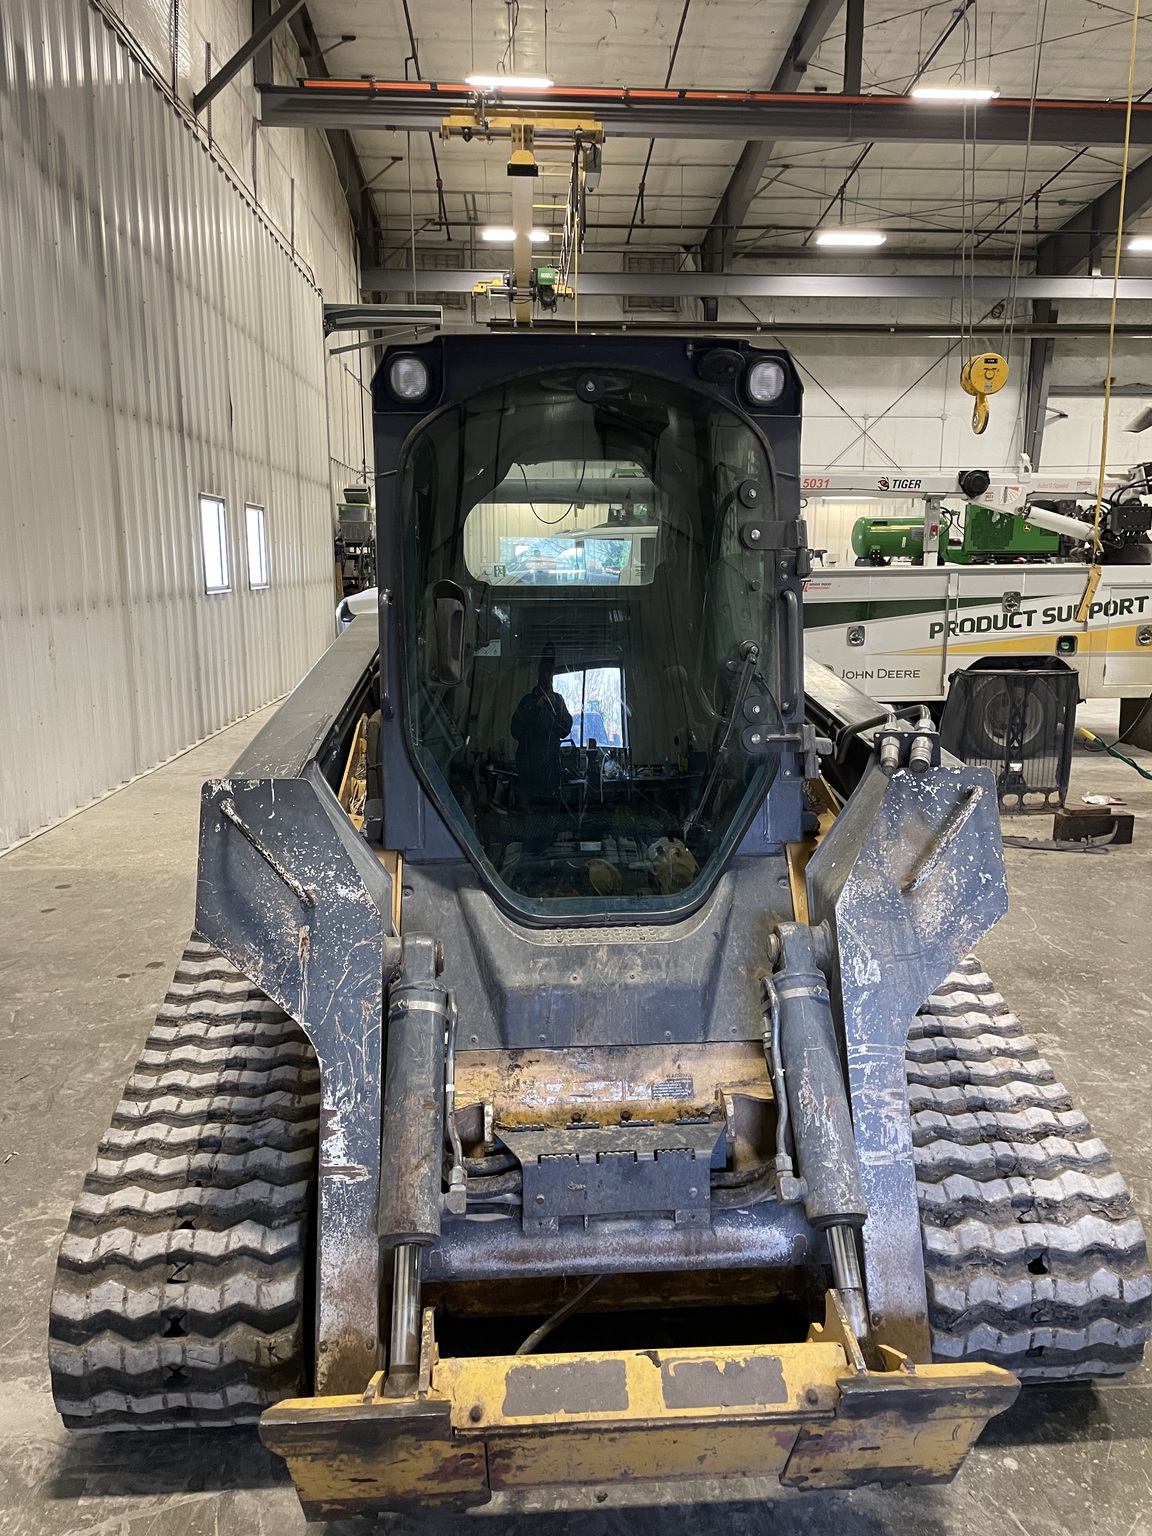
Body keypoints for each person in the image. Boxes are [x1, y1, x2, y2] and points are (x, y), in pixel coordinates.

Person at [511, 652, 573, 806]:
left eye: (550, 671)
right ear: (538, 670)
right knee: (529, 820)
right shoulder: (527, 701)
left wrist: (557, 708)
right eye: (544, 670)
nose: (546, 675)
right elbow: (515, 731)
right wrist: (535, 709)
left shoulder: (558, 700)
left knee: (551, 819)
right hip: (528, 774)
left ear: (553, 673)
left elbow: (564, 730)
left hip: (551, 773)